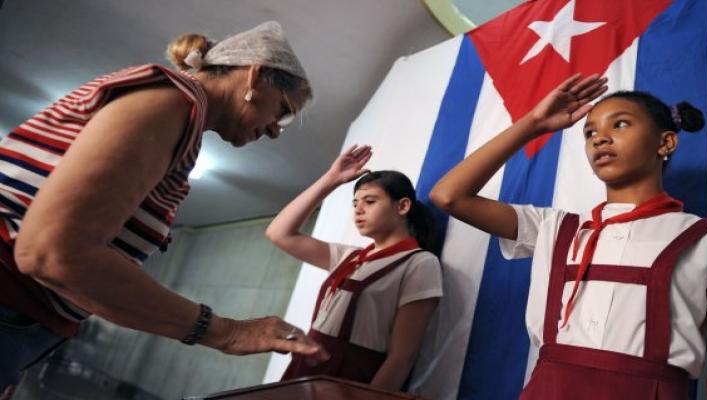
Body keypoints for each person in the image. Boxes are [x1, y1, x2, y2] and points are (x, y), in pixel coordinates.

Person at [0, 21, 329, 397]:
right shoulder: (173, 100)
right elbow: (52, 253)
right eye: (283, 113)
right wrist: (227, 332)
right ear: (256, 76)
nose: (274, 131)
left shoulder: (179, 115)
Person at [430, 74, 707, 399]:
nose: (600, 137)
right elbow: (449, 195)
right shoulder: (555, 227)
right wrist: (534, 124)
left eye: (621, 124)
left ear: (666, 142)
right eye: (589, 132)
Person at [266, 145, 443, 391]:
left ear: (402, 207)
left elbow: (402, 357)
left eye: (370, 201)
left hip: (352, 379)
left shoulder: (420, 263)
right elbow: (279, 233)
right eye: (355, 203)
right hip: (306, 366)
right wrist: (331, 180)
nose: (358, 209)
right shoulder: (349, 256)